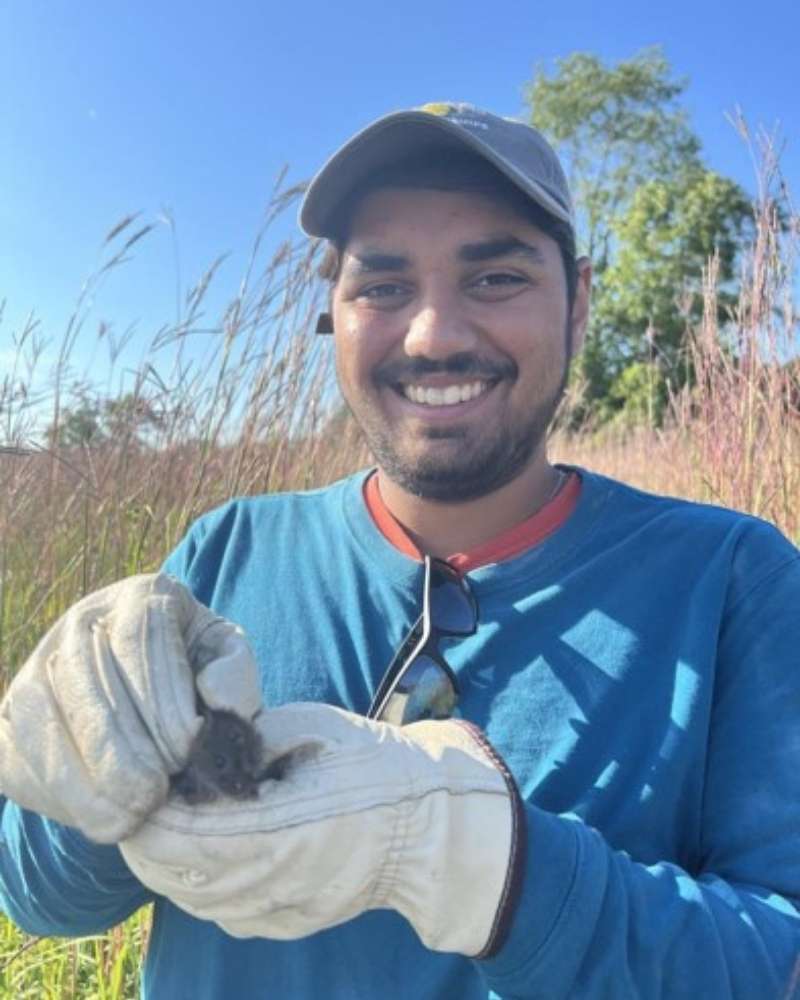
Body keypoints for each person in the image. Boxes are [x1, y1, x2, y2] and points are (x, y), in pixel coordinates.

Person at [1, 102, 799, 999]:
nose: (434, 335)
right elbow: (39, 900)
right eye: (381, 286)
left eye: (495, 276)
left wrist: (485, 865)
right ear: (333, 316)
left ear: (579, 303)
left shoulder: (733, 581)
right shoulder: (227, 551)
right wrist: (80, 779)